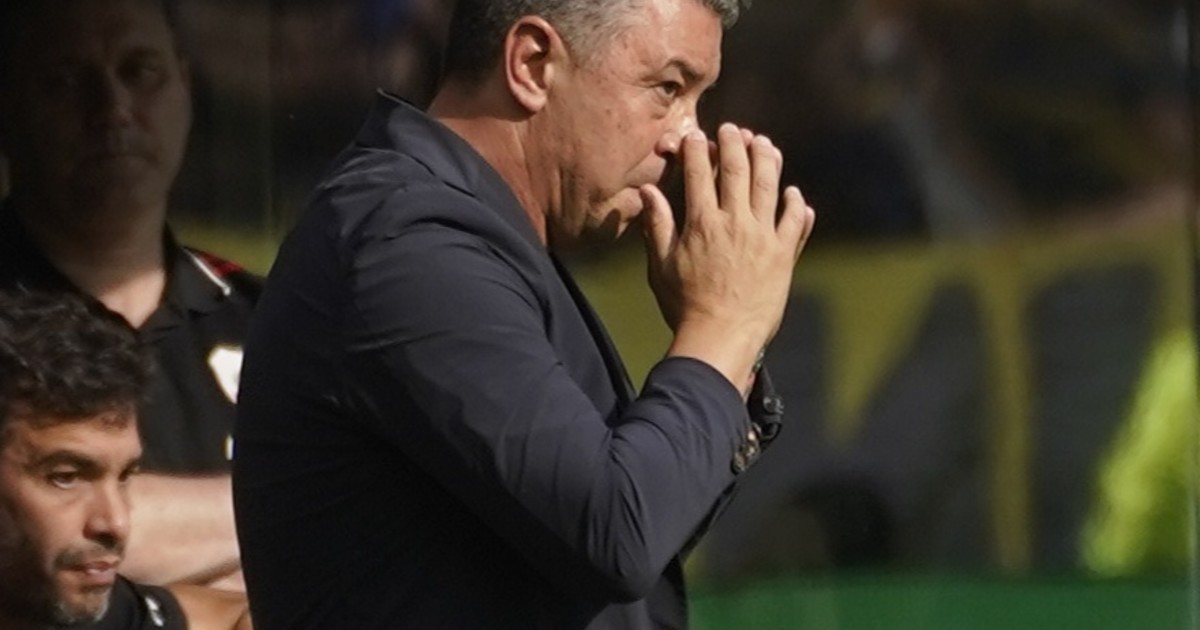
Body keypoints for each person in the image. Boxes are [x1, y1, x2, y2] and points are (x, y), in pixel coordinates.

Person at [233, 0, 816, 627]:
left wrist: (730, 351)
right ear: (533, 64)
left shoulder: (475, 236)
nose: (687, 138)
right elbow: (618, 529)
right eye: (668, 88)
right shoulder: (407, 239)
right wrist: (724, 325)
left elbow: (628, 540)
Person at [0, 0, 255, 588]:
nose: (112, 108)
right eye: (65, 80)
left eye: (140, 71)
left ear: (185, 85)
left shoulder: (282, 325)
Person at [0, 291, 253, 630]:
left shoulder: (55, 600)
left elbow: (231, 616)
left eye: (124, 476)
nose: (115, 522)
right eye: (66, 477)